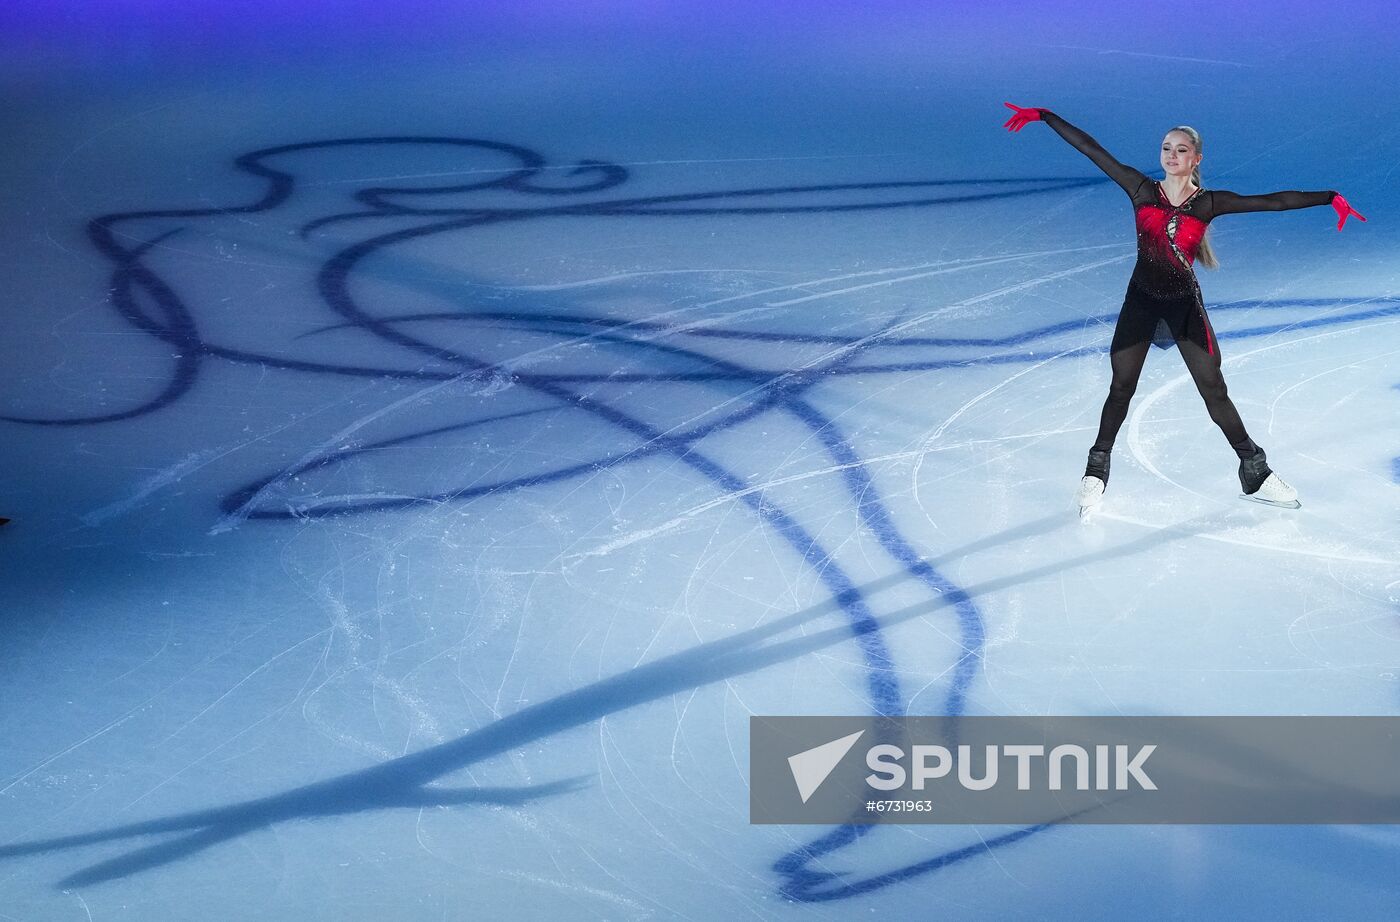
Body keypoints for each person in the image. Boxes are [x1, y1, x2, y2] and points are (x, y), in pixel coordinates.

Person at [1002, 103, 1365, 514]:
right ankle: (1095, 472)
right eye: (1166, 148)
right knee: (1121, 385)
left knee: (1213, 388)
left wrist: (1330, 198)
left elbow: (1274, 202)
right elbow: (1092, 149)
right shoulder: (1140, 189)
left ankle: (1256, 471)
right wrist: (1047, 117)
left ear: (1196, 159)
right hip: (1141, 301)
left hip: (1182, 306)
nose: (1171, 156)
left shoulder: (1208, 203)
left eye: (1180, 150)